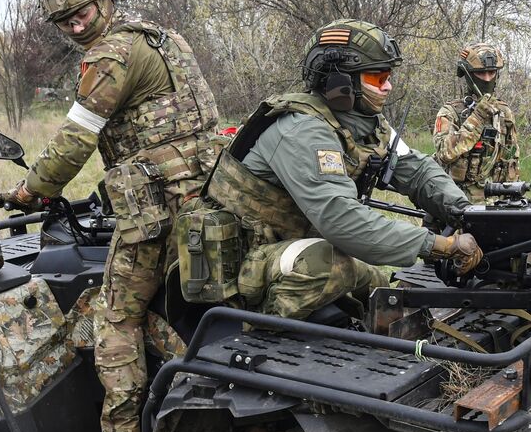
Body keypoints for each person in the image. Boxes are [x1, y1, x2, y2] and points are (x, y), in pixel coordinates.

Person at [0, 0, 220, 432]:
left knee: (116, 315)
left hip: (156, 210)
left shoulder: (111, 55)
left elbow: (76, 139)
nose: (76, 26)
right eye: (65, 21)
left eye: (82, 12)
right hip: (208, 199)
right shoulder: (166, 39)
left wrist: (32, 189)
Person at [203, 18, 483, 320]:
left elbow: (415, 170)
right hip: (241, 261)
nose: (388, 86)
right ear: (341, 83)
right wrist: (440, 245)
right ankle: (258, 335)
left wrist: (466, 212)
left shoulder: (364, 124)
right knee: (333, 265)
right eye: (378, 78)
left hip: (289, 249)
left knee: (380, 290)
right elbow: (340, 218)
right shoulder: (301, 130)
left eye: (388, 76)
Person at [432, 42, 520, 202]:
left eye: (492, 72)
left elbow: (511, 158)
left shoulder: (503, 112)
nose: (487, 78)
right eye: (481, 73)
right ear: (469, 75)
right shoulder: (451, 112)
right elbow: (444, 154)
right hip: (456, 201)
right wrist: (477, 118)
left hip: (495, 202)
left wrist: (512, 198)